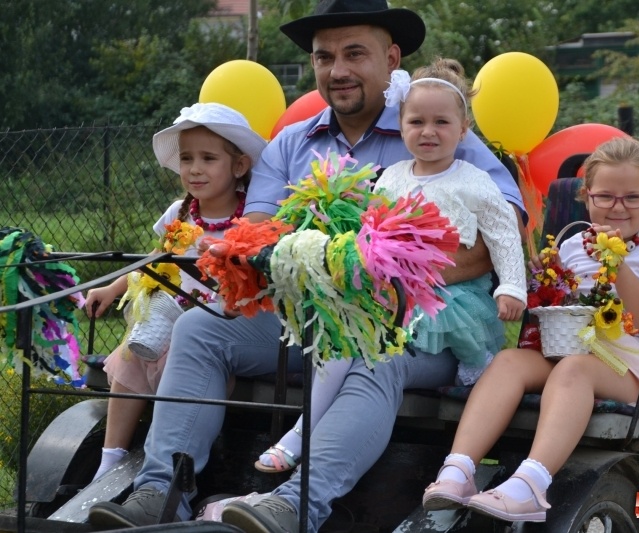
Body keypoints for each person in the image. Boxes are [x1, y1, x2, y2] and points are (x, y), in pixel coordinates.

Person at [87, 1, 527, 531]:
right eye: (324, 57)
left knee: (373, 348)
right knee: (200, 328)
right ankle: (160, 493)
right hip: (307, 321)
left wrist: (390, 277)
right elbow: (257, 236)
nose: (338, 70)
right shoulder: (291, 144)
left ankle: (295, 504)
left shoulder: (434, 128)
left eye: (355, 54)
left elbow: (505, 232)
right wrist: (287, 261)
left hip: (421, 327)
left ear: (391, 60)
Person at [253, 57, 527, 475]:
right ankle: (300, 432)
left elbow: (504, 235)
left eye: (441, 122)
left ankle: (476, 363)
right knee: (342, 339)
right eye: (417, 122)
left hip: (449, 295)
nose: (428, 132)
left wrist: (511, 288)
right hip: (389, 292)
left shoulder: (474, 180)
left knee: (375, 345)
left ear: (463, 129)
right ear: (400, 126)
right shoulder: (391, 177)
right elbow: (369, 231)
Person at [421, 136, 639, 522]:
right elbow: (554, 313)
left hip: (632, 368)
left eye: (632, 198)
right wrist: (540, 287)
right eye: (605, 197)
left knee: (574, 369)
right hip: (567, 350)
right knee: (509, 361)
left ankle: (530, 486)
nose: (618, 207)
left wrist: (618, 266)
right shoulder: (570, 246)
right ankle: (457, 471)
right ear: (586, 196)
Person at [84, 102, 265, 482]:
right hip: (168, 315)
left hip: (218, 322)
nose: (195, 168)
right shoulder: (179, 215)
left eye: (208, 158)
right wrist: (112, 288)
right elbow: (153, 261)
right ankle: (110, 457)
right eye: (186, 158)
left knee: (180, 360)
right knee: (130, 357)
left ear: (239, 166)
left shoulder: (251, 220)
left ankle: (168, 453)